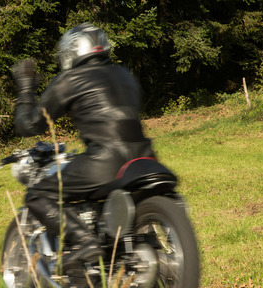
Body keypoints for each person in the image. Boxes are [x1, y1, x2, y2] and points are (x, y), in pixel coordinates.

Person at [11, 23, 155, 269]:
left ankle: (84, 240)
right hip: (145, 159)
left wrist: (25, 90)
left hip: (105, 162)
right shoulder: (125, 75)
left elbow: (31, 124)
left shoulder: (70, 78)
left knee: (37, 194)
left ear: (70, 52)